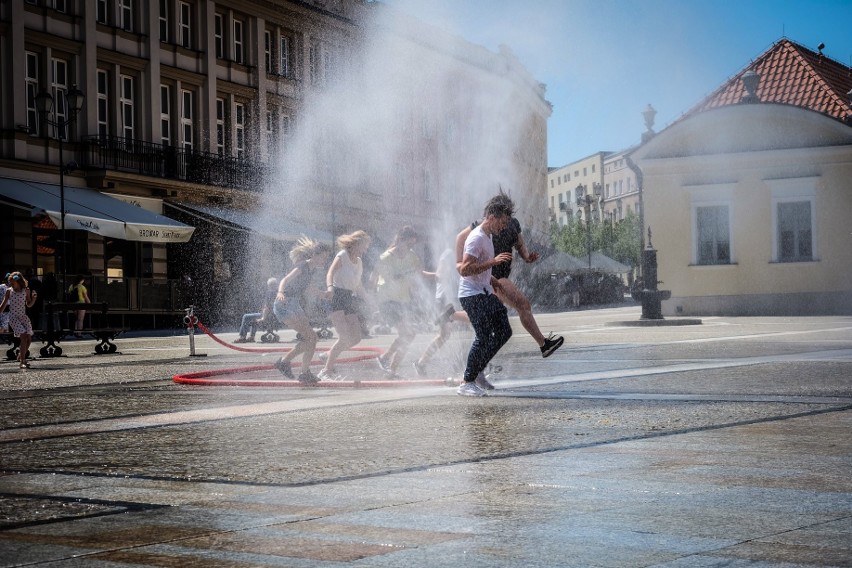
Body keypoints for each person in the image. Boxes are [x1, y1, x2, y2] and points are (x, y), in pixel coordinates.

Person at [455, 191, 563, 359]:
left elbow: (520, 244)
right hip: (495, 276)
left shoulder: (513, 224)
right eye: (506, 213)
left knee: (487, 319)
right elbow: (460, 237)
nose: (506, 220)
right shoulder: (481, 225)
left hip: (497, 275)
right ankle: (543, 344)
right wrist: (459, 263)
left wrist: (527, 257)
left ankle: (451, 317)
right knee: (523, 305)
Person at [455, 197, 515, 396]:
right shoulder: (476, 238)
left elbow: (478, 268)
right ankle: (466, 382)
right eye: (502, 222)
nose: (504, 227)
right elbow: (464, 269)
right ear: (491, 217)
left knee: (504, 330)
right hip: (471, 295)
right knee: (483, 336)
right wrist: (492, 263)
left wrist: (493, 280)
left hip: (483, 291)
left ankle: (479, 369)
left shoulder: (487, 236)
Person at [273, 237, 332, 384]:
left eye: (326, 258)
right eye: (323, 257)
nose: (324, 261)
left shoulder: (311, 270)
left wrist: (322, 294)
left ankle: (289, 364)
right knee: (310, 338)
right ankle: (298, 369)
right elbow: (285, 279)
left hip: (295, 305)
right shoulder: (302, 266)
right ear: (314, 255)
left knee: (312, 338)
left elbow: (308, 288)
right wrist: (280, 292)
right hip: (284, 304)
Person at [371, 226, 426, 378]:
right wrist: (373, 301)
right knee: (407, 333)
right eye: (408, 244)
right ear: (400, 240)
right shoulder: (386, 257)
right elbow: (374, 278)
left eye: (412, 245)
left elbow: (419, 273)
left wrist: (436, 275)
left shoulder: (412, 256)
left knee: (409, 335)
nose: (410, 248)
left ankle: (391, 368)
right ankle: (385, 359)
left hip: (403, 301)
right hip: (388, 301)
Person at [318, 230, 371, 381]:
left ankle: (328, 355)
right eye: (364, 245)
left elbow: (358, 284)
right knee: (344, 337)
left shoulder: (359, 261)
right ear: (356, 244)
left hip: (349, 297)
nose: (365, 249)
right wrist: (329, 287)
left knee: (356, 337)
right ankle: (325, 371)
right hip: (337, 295)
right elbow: (330, 273)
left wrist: (369, 300)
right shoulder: (342, 255)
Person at [413, 248, 470, 377]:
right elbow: (439, 275)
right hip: (445, 299)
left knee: (446, 335)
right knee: (446, 334)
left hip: (453, 298)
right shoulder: (449, 253)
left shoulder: (460, 252)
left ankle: (421, 362)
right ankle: (480, 363)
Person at [0, 272, 37, 369]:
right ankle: (22, 361)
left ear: (19, 282)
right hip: (13, 317)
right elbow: (3, 306)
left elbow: (28, 304)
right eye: (10, 283)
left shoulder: (26, 290)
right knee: (23, 336)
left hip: (23, 317)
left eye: (13, 283)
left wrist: (33, 299)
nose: (11, 285)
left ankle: (21, 355)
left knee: (29, 339)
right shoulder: (9, 291)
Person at [234, 277, 278, 343]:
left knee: (246, 316)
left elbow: (267, 308)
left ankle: (242, 337)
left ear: (269, 285)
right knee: (254, 317)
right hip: (275, 317)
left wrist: (263, 318)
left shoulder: (270, 293)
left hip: (268, 317)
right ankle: (251, 337)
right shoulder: (279, 293)